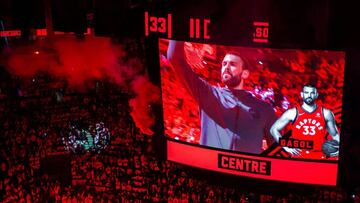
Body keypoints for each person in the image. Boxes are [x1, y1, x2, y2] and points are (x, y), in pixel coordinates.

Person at [167, 40, 276, 154]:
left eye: (232, 64)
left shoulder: (264, 109)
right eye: (224, 64)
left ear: (244, 73)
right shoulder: (208, 94)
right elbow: (174, 58)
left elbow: (279, 151)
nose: (226, 67)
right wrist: (178, 27)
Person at [270, 84, 340, 159]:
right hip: (298, 158)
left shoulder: (326, 113)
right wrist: (285, 147)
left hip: (319, 157)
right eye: (306, 93)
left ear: (316, 95)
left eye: (312, 93)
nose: (309, 95)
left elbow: (335, 134)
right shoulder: (292, 113)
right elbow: (273, 129)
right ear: (302, 94)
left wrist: (337, 148)